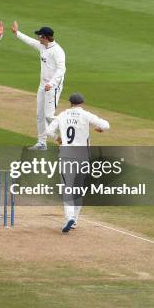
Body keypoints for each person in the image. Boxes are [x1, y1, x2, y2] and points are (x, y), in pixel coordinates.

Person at [46, 93, 110, 233]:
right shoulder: (86, 115)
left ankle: (69, 217)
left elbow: (49, 131)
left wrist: (58, 138)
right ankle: (74, 219)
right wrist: (100, 129)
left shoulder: (62, 115)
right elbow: (106, 125)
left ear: (70, 103)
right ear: (81, 103)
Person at [12, 21, 65, 150]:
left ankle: (67, 133)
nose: (37, 38)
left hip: (53, 87)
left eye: (39, 36)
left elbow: (61, 69)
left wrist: (51, 83)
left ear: (45, 37)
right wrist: (16, 33)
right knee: (40, 115)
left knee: (49, 116)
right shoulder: (43, 46)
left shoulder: (57, 51)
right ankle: (42, 142)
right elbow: (30, 41)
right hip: (43, 86)